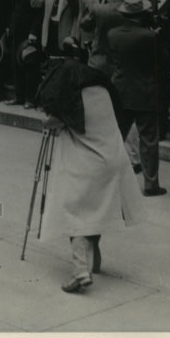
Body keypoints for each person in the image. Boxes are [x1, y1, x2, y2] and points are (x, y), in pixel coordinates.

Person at [34, 58, 145, 293]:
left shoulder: (73, 96)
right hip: (113, 160)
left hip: (88, 164)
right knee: (97, 210)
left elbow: (55, 121)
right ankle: (94, 260)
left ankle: (80, 270)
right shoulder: (102, 90)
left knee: (75, 212)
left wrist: (46, 120)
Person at [108, 0, 168, 196]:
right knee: (149, 140)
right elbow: (163, 65)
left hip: (120, 91)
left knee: (116, 137)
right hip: (146, 93)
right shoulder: (150, 37)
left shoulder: (113, 34)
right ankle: (151, 184)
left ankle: (107, 180)